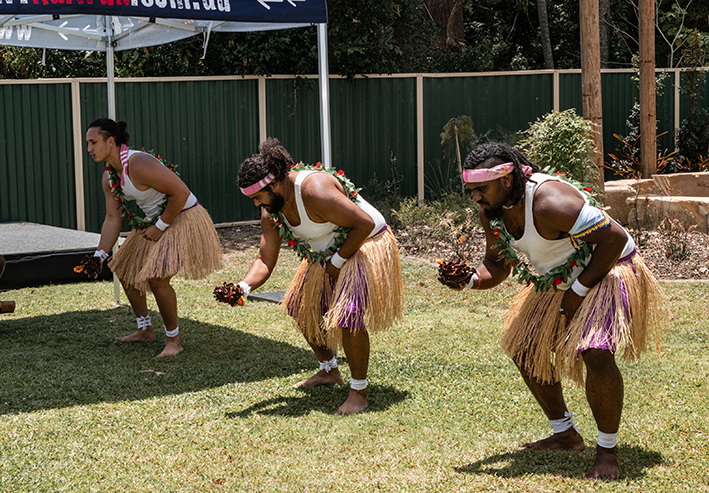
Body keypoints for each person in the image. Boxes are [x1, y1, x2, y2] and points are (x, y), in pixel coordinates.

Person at [438, 142, 666, 480]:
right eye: (471, 190)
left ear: (505, 180)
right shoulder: (492, 211)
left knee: (596, 351)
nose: (475, 198)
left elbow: (614, 239)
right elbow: (497, 263)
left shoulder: (550, 203)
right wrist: (470, 279)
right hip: (557, 275)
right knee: (525, 349)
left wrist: (577, 290)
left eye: (481, 189)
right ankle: (565, 434)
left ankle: (607, 452)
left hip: (608, 267)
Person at [232, 138, 403, 415]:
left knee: (349, 314)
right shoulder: (272, 210)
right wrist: (243, 287)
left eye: (257, 197)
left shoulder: (314, 190)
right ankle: (329, 370)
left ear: (274, 184)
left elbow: (364, 223)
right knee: (301, 307)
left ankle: (359, 392)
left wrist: (336, 262)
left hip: (365, 242)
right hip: (328, 251)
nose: (256, 205)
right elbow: (265, 259)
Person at [84, 118, 223, 357]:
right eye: (88, 143)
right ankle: (145, 330)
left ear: (111, 141)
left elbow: (181, 192)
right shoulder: (109, 177)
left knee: (158, 277)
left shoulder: (138, 162)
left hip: (182, 215)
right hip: (155, 220)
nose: (89, 149)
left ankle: (174, 341)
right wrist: (99, 256)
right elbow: (112, 218)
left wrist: (160, 225)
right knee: (124, 268)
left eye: (93, 142)